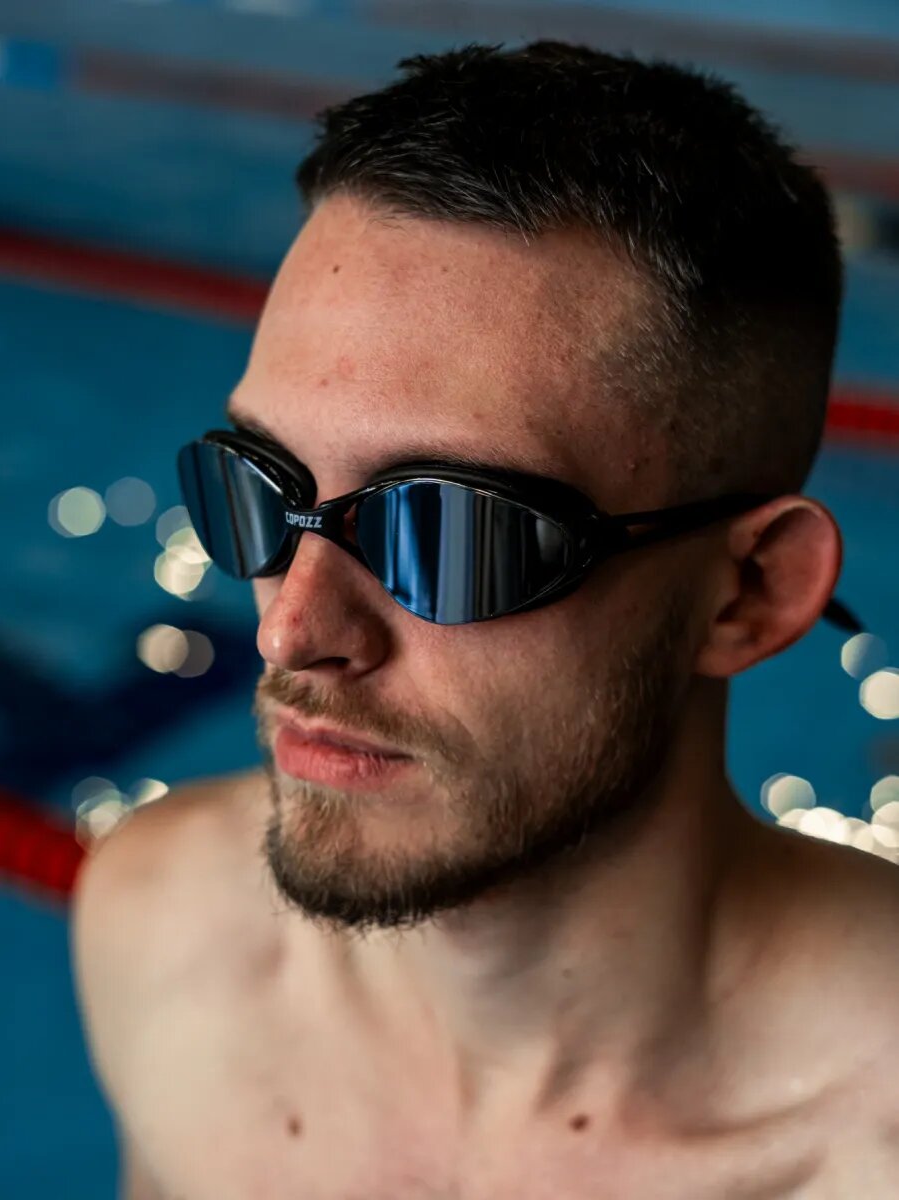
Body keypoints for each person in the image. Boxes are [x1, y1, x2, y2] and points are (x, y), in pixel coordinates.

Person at [72, 40, 898, 1199]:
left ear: (750, 592)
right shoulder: (166, 935)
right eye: (254, 491)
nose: (291, 631)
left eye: (452, 531)